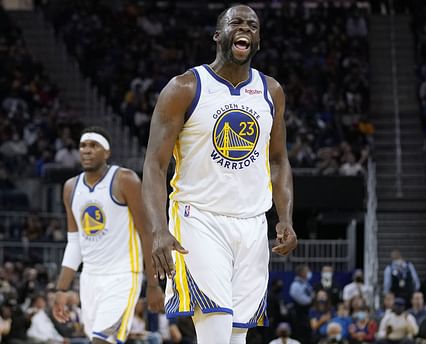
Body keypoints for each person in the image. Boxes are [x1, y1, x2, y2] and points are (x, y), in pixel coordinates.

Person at [141, 5, 298, 344]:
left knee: (237, 335)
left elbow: (279, 160)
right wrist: (158, 230)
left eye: (252, 25)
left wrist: (284, 217)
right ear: (218, 35)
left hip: (253, 223)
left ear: (257, 40)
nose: (245, 28)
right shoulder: (184, 87)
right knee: (215, 329)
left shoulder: (271, 92)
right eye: (236, 23)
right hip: (199, 218)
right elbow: (154, 165)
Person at [52, 127, 163, 344]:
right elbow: (74, 243)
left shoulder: (125, 179)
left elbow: (146, 233)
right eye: (83, 146)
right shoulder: (70, 188)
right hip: (89, 279)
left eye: (94, 146)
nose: (87, 150)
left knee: (102, 341)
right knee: (99, 339)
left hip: (122, 276)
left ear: (107, 152)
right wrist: (61, 289)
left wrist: (152, 284)